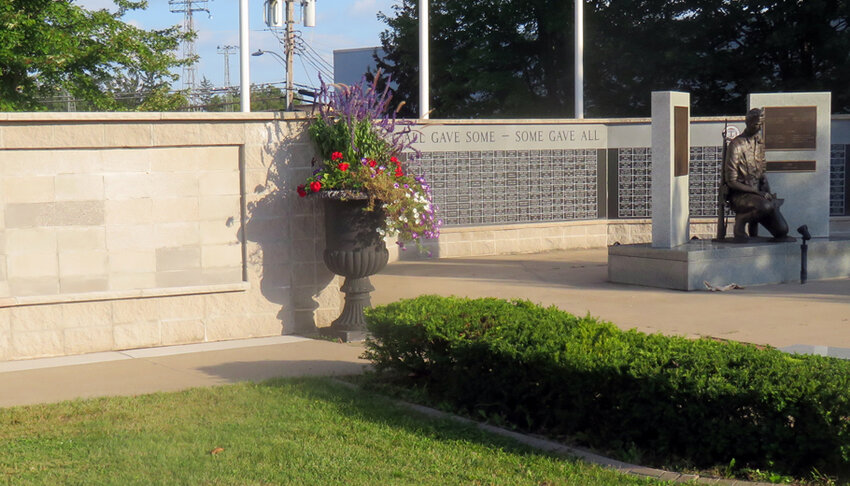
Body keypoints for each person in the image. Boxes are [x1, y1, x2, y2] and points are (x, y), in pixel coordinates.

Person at [722, 108, 793, 242]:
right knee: (765, 207)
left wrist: (767, 192)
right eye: (756, 124)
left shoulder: (759, 142)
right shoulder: (736, 145)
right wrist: (756, 192)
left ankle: (759, 213)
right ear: (747, 123)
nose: (758, 127)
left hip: (759, 195)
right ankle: (741, 220)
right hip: (741, 195)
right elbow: (731, 181)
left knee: (782, 231)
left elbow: (762, 172)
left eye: (761, 124)